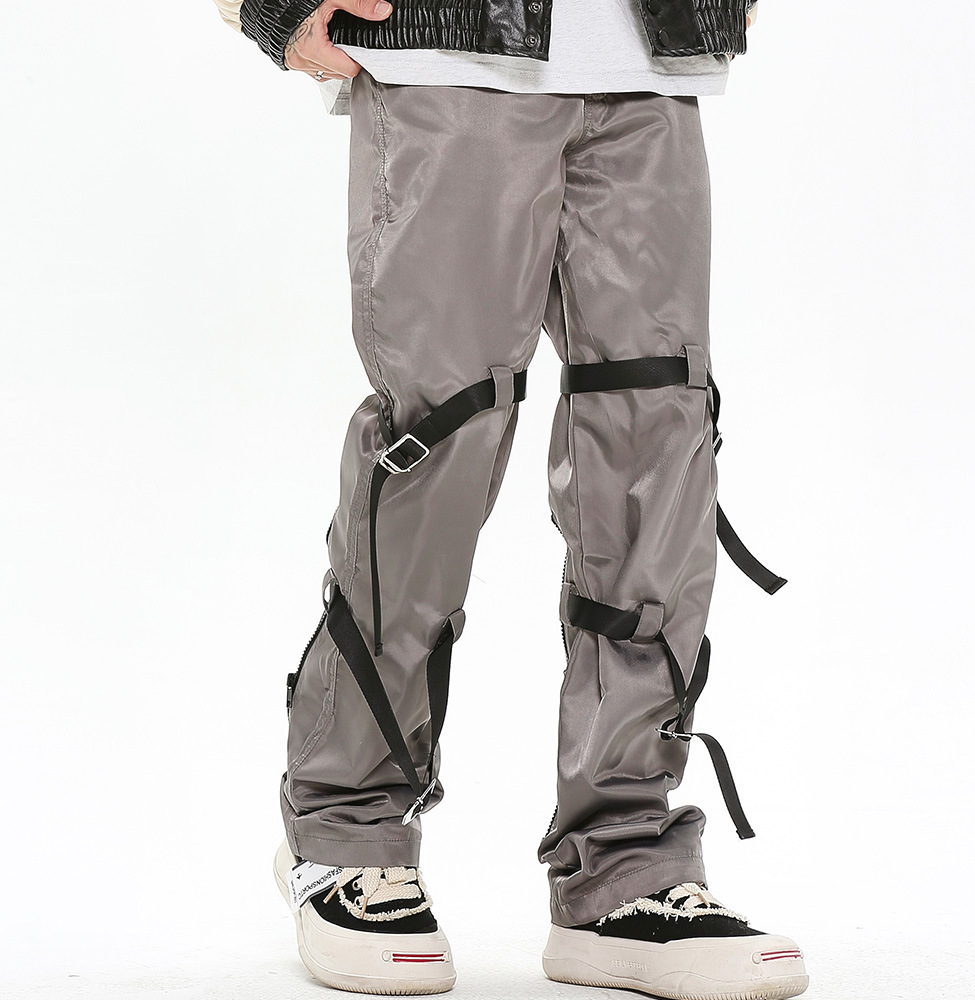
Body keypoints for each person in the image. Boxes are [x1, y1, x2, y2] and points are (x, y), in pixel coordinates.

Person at [213, 1, 809, 996]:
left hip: (648, 64)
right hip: (449, 53)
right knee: (437, 443)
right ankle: (346, 828)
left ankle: (623, 865)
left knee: (657, 446)